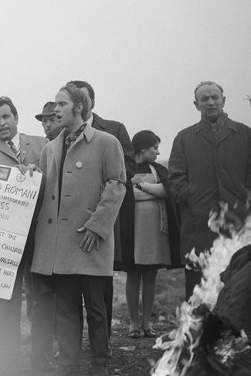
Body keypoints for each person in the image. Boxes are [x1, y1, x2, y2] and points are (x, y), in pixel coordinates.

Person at [31, 84, 126, 376]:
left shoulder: (108, 142)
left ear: (80, 107)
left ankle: (100, 365)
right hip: (60, 246)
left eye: (61, 104)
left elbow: (116, 185)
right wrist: (29, 177)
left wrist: (96, 228)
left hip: (89, 240)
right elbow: (46, 188)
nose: (55, 109)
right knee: (67, 310)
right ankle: (69, 367)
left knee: (97, 309)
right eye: (55, 104)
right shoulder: (50, 147)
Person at [0, 96, 46, 374]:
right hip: (5, 238)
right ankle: (10, 362)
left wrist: (36, 173)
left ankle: (41, 359)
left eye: (6, 117)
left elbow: (54, 179)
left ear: (16, 117)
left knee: (41, 297)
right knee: (8, 299)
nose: (2, 123)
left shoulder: (41, 144)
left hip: (39, 232)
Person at [168, 81, 251, 300]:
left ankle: (234, 333)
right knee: (198, 285)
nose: (210, 102)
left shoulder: (244, 134)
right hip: (199, 225)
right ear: (196, 105)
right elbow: (175, 179)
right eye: (204, 99)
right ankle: (197, 332)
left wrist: (244, 201)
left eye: (215, 97)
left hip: (237, 224)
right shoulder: (184, 138)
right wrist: (193, 201)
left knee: (237, 282)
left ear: (224, 100)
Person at [68, 80, 136, 343]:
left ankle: (102, 343)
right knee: (71, 287)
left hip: (105, 215)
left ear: (91, 102)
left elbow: (127, 168)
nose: (79, 105)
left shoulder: (114, 129)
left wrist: (100, 181)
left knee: (100, 285)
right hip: (72, 219)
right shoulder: (63, 134)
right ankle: (71, 347)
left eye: (82, 99)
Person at [127, 130, 181, 339]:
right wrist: (152, 190)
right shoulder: (127, 169)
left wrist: (142, 186)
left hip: (156, 229)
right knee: (133, 274)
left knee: (151, 275)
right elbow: (126, 193)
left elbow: (168, 191)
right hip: (132, 228)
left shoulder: (158, 169)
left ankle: (147, 322)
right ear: (142, 149)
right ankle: (133, 323)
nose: (158, 152)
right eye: (154, 148)